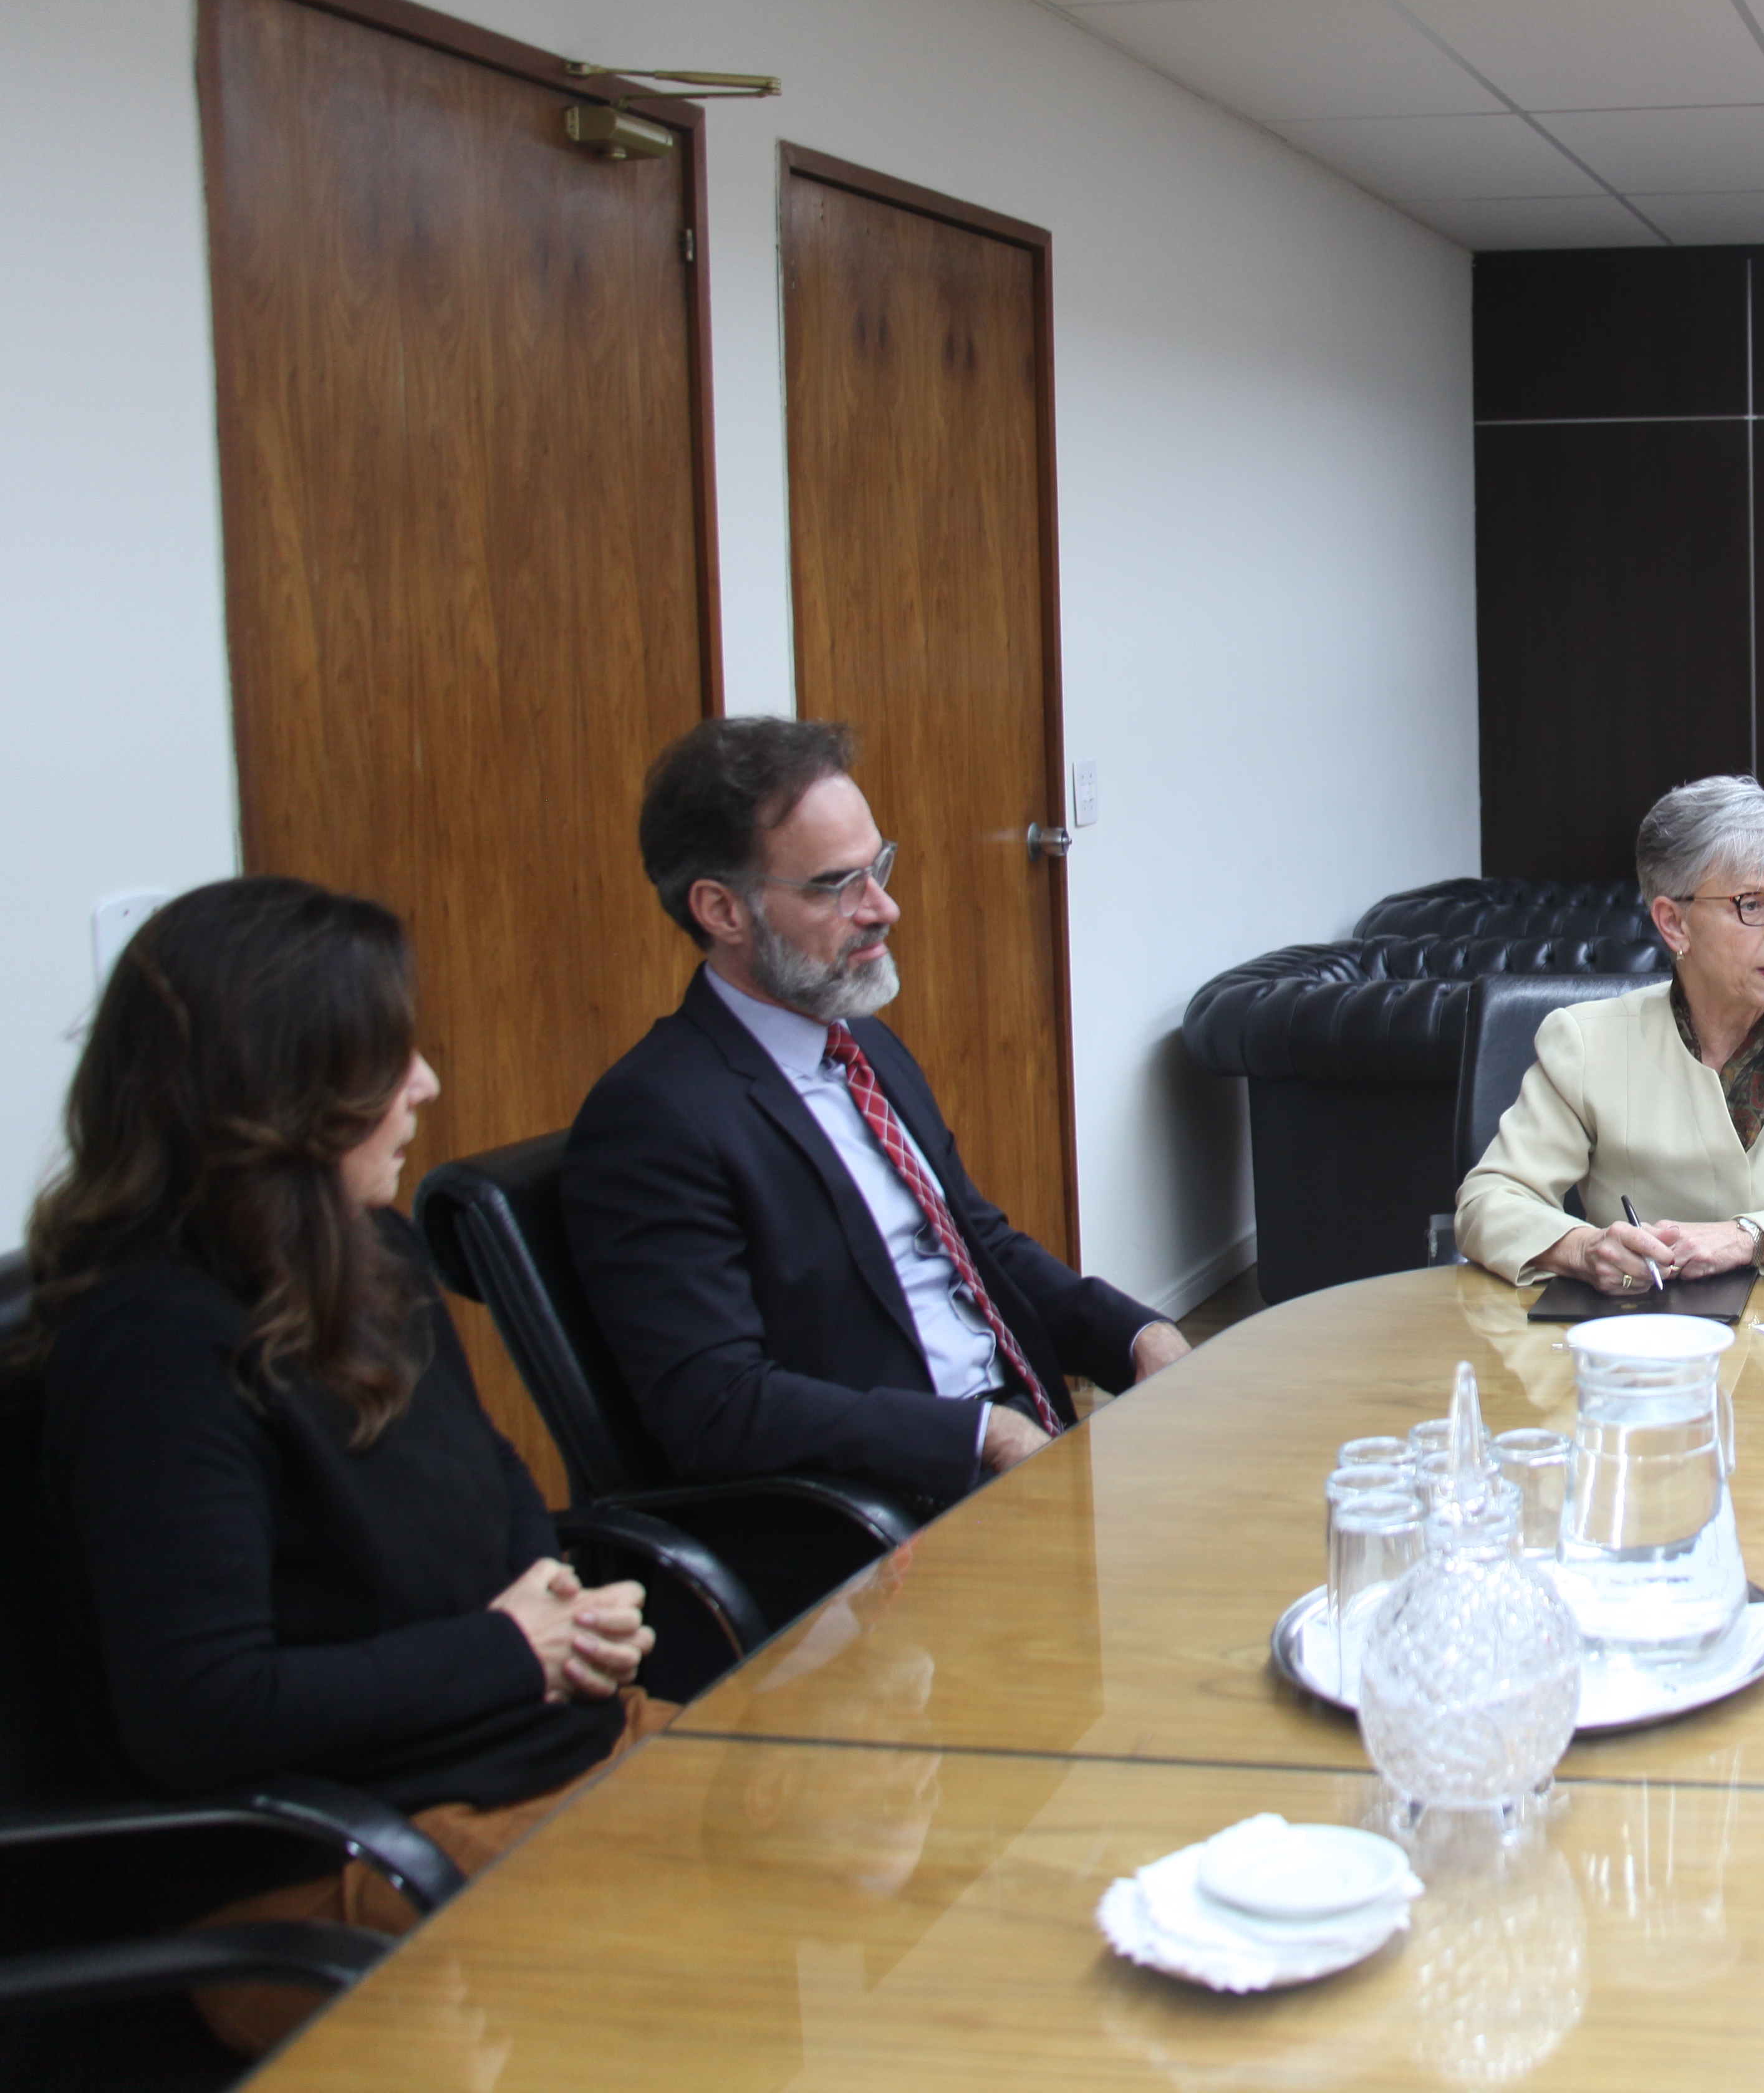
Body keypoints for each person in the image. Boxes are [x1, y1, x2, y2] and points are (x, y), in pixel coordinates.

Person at [11, 878, 665, 2051]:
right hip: (340, 1856)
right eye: (389, 1059)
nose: (427, 1084)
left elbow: (497, 1480)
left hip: (538, 1761)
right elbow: (203, 1711)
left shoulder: (376, 1254)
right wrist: (511, 1651)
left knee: (880, 1831)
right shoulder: (155, 1349)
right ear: (281, 1096)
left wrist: (563, 1610)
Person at [561, 718, 1183, 1508]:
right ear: (721, 910)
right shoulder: (655, 1119)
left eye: (877, 868)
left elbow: (976, 1241)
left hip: (1021, 1445)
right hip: (889, 1507)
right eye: (837, 885)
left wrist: (1136, 1336)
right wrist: (980, 1436)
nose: (884, 907)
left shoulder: (862, 1044)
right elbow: (716, 1404)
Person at [1456, 776, 1764, 1289]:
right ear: (1675, 923)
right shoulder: (1587, 1045)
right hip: (1643, 1328)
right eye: (1753, 904)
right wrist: (1583, 1249)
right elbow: (1488, 1204)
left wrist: (1748, 1237)